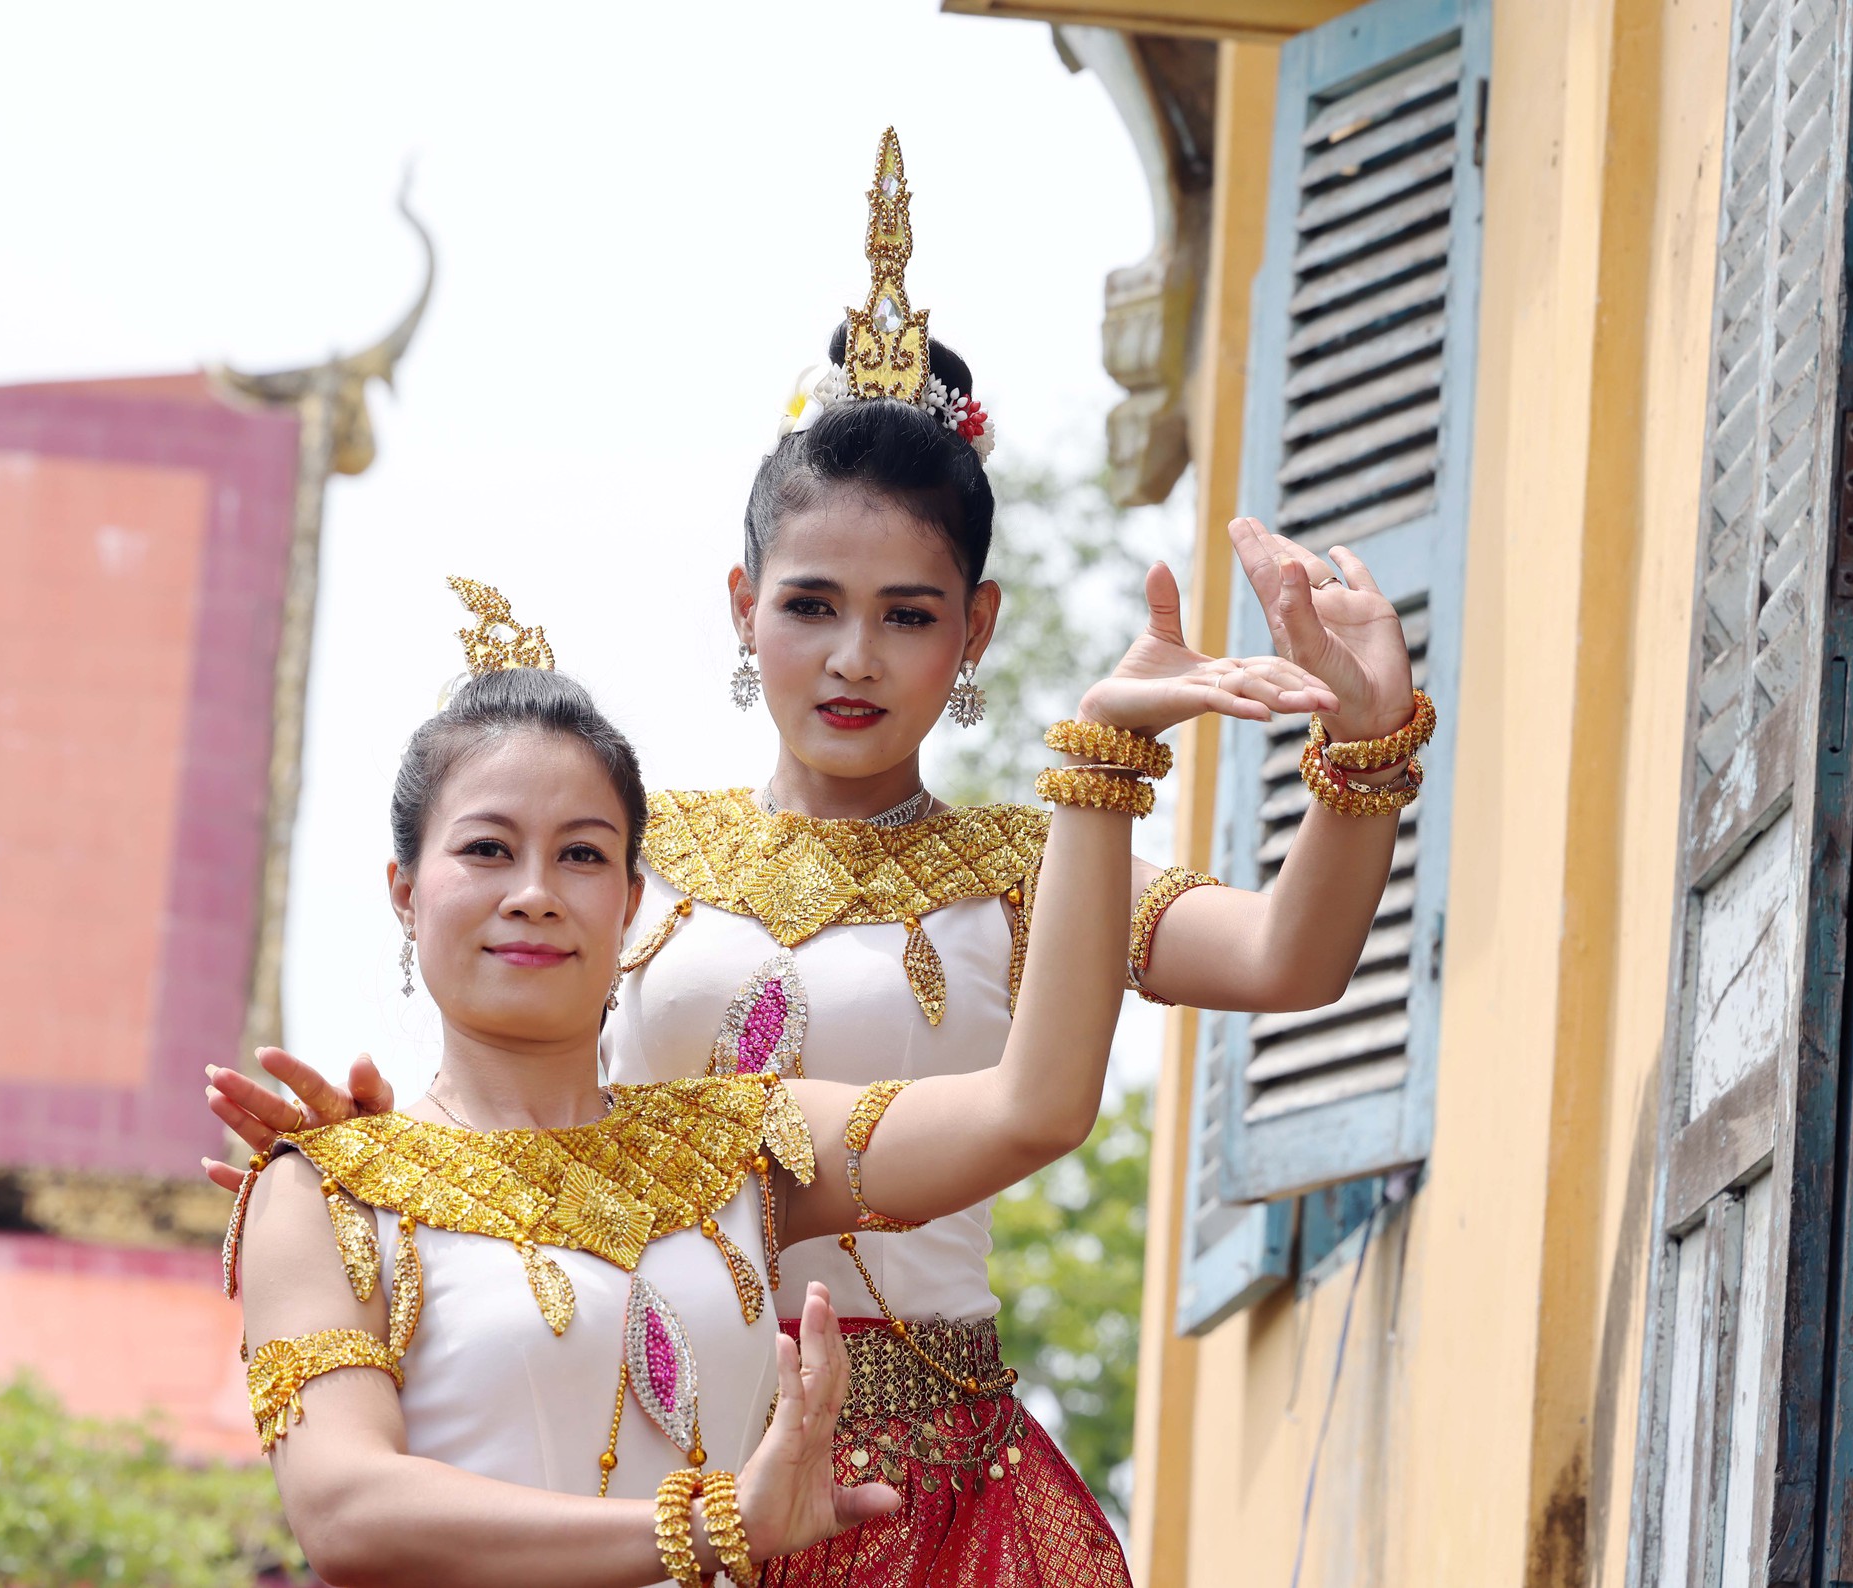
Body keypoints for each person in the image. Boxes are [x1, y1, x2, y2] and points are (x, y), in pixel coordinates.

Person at [210, 130, 1432, 1587]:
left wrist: (1364, 750)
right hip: (654, 1440)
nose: (855, 657)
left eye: (908, 615)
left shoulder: (1028, 867)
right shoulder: (623, 853)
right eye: (811, 606)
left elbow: (1288, 959)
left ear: (974, 630)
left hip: (934, 1476)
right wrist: (400, 1172)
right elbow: (513, 1059)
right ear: (745, 608)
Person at [228, 581, 1309, 1587]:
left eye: (584, 855)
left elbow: (1032, 1110)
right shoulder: (323, 1188)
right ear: (405, 891)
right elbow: (346, 1508)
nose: (535, 893)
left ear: (634, 905)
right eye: (486, 849)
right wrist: (708, 1526)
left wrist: (1104, 766)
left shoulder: (746, 1144)